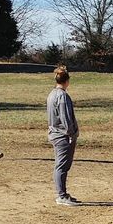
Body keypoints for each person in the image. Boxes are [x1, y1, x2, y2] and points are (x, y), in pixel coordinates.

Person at [47, 65, 80, 206]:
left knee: (61, 165)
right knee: (61, 166)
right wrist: (72, 134)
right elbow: (65, 118)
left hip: (55, 133)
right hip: (62, 136)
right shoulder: (62, 96)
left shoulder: (52, 94)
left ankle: (63, 193)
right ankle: (61, 195)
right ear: (67, 81)